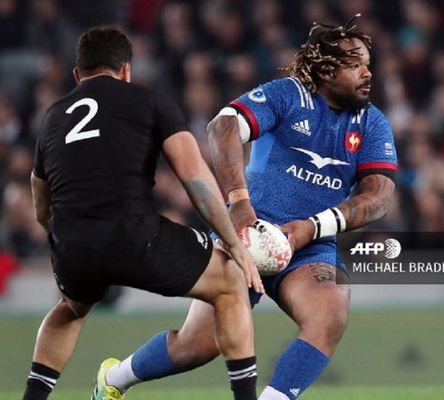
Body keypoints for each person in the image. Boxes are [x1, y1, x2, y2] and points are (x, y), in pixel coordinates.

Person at [94, 14, 397, 400]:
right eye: (355, 64)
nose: (367, 73)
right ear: (325, 70)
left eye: (368, 64)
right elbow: (222, 127)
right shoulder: (288, 95)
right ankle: (114, 379)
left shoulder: (371, 124)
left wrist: (312, 227)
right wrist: (238, 202)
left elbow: (379, 196)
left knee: (331, 310)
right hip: (246, 233)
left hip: (311, 245)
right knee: (197, 346)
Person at [22, 26, 263, 400]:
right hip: (137, 238)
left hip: (75, 246)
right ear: (126, 71)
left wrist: (61, 245)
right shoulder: (149, 100)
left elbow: (41, 203)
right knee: (231, 281)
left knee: (70, 309)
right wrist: (235, 245)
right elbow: (194, 177)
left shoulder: (53, 116)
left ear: (76, 75)